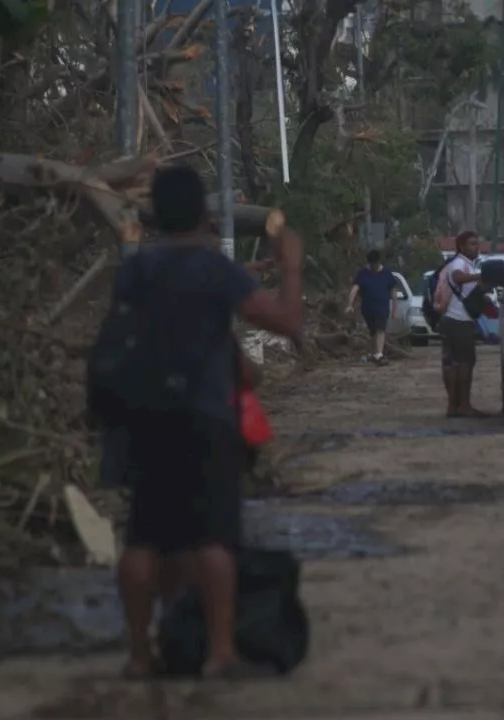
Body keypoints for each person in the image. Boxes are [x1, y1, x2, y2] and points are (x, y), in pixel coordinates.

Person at [111, 164, 304, 680]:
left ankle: (139, 652)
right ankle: (220, 653)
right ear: (203, 211)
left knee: (143, 538)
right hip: (205, 415)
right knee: (214, 538)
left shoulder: (136, 269)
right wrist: (290, 268)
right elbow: (285, 323)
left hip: (144, 415)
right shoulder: (215, 269)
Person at [433, 230, 488, 418]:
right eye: (472, 244)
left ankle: (453, 406)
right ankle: (463, 405)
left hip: (450, 320)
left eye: (477, 243)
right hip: (459, 322)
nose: (476, 247)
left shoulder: (465, 264)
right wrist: (479, 277)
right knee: (465, 363)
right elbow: (457, 277)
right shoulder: (459, 263)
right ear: (462, 247)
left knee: (452, 364)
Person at [345, 249, 398, 366]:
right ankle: (375, 354)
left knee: (380, 329)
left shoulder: (387, 273)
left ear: (379, 262)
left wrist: (395, 310)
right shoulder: (363, 273)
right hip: (368, 308)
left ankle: (379, 354)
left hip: (382, 306)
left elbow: (394, 292)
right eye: (371, 264)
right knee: (373, 331)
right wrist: (350, 304)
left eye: (375, 264)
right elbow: (355, 289)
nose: (373, 266)